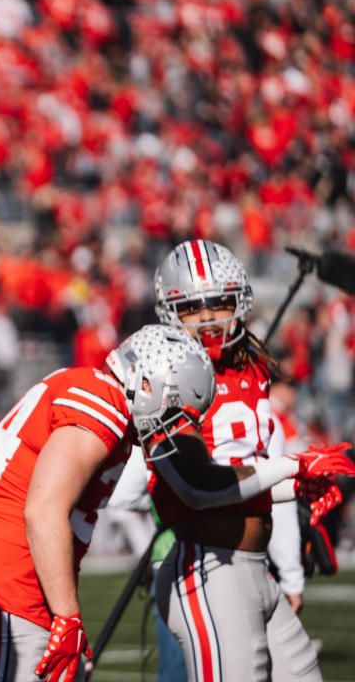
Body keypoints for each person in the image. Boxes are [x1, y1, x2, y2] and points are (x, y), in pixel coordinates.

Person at [0, 324, 354, 682]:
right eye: (176, 408)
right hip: (4, 596)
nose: (177, 424)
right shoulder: (101, 403)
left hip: (16, 594)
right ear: (148, 381)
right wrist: (67, 617)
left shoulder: (96, 395)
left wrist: (291, 482)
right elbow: (43, 510)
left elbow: (192, 491)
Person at [150, 240, 353, 682]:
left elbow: (251, 472)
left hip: (255, 569)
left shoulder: (251, 367)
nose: (208, 319)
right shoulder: (165, 375)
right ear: (169, 312)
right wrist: (294, 470)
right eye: (192, 309)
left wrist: (298, 488)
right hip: (209, 569)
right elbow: (197, 485)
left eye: (219, 304)